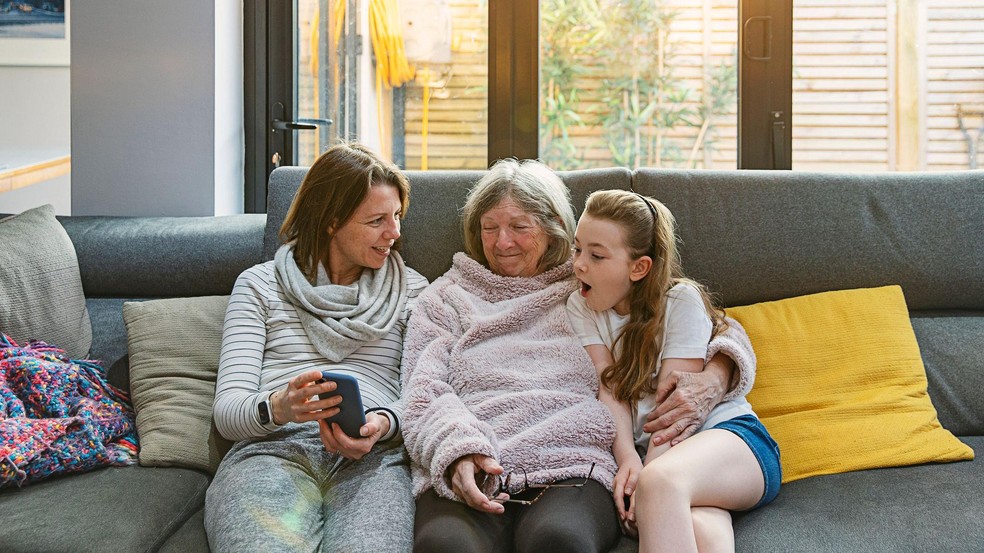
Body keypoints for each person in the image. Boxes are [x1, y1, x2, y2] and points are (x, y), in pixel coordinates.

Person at [400, 159, 756, 553]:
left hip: (569, 459)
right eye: (489, 227)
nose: (502, 243)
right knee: (446, 547)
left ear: (553, 227)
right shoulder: (445, 297)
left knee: (559, 542)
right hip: (477, 456)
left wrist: (718, 374)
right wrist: (456, 447)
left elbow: (710, 322)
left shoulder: (591, 280)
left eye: (520, 227)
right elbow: (422, 388)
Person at [205, 143, 428, 553]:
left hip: (372, 458)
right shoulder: (259, 285)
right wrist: (280, 406)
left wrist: (381, 423)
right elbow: (227, 412)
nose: (394, 233)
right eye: (377, 220)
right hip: (271, 452)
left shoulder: (414, 291)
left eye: (397, 216)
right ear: (330, 222)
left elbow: (424, 396)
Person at [566, 189, 781, 553]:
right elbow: (610, 389)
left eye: (597, 256)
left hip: (728, 440)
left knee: (659, 485)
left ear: (639, 267)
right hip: (675, 468)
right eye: (577, 249)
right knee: (704, 532)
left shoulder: (680, 300)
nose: (579, 265)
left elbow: (676, 407)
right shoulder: (581, 305)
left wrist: (644, 480)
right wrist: (627, 460)